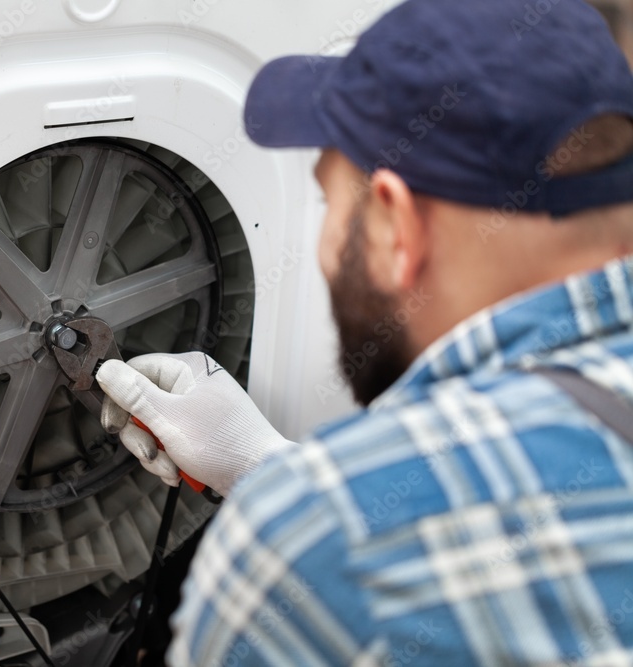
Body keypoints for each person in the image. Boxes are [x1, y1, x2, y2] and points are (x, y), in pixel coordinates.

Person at [96, 0, 633, 664]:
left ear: (391, 226)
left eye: (327, 199)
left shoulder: (316, 562)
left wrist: (305, 513)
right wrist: (263, 466)